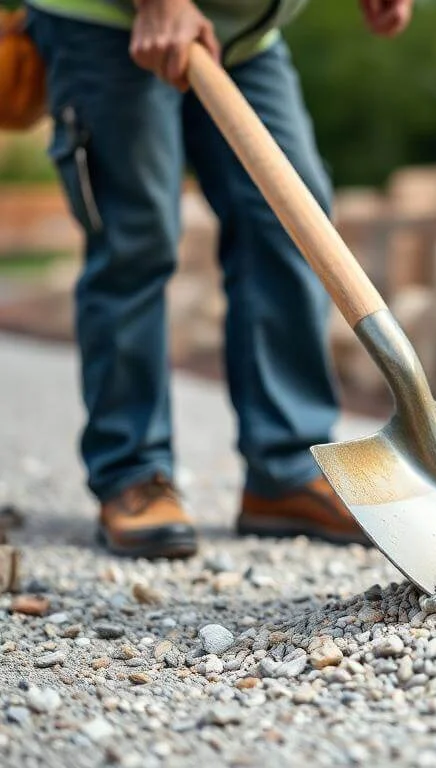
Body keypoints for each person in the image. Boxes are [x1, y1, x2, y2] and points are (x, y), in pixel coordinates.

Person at [21, 0, 413, 559]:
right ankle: (133, 471)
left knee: (290, 221)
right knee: (137, 235)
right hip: (110, 19)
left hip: (245, 35)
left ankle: (286, 470)